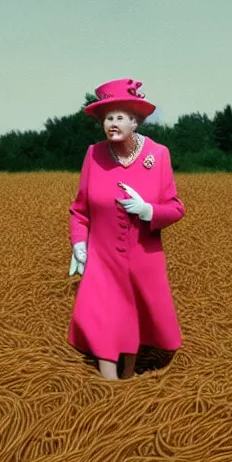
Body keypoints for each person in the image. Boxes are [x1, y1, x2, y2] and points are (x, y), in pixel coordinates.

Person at [67, 78, 185, 381]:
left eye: (119, 117)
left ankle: (129, 374)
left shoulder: (158, 155)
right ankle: (111, 385)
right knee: (103, 317)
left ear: (135, 121)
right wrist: (80, 244)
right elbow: (79, 209)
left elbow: (175, 208)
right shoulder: (94, 154)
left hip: (143, 257)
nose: (112, 123)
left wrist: (148, 211)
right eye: (107, 118)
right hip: (102, 257)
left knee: (132, 317)